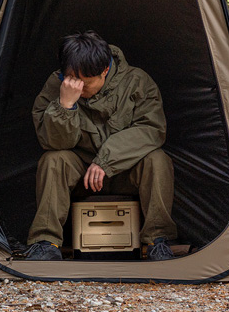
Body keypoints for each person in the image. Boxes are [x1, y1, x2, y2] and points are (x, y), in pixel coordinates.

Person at [25, 31, 177, 261]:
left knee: (157, 160)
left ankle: (157, 241)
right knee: (53, 160)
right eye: (71, 80)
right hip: (80, 174)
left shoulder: (137, 82)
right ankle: (46, 242)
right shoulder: (56, 85)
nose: (77, 88)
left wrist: (106, 161)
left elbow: (151, 129)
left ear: (105, 70)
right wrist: (65, 105)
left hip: (125, 171)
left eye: (85, 83)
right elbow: (54, 143)